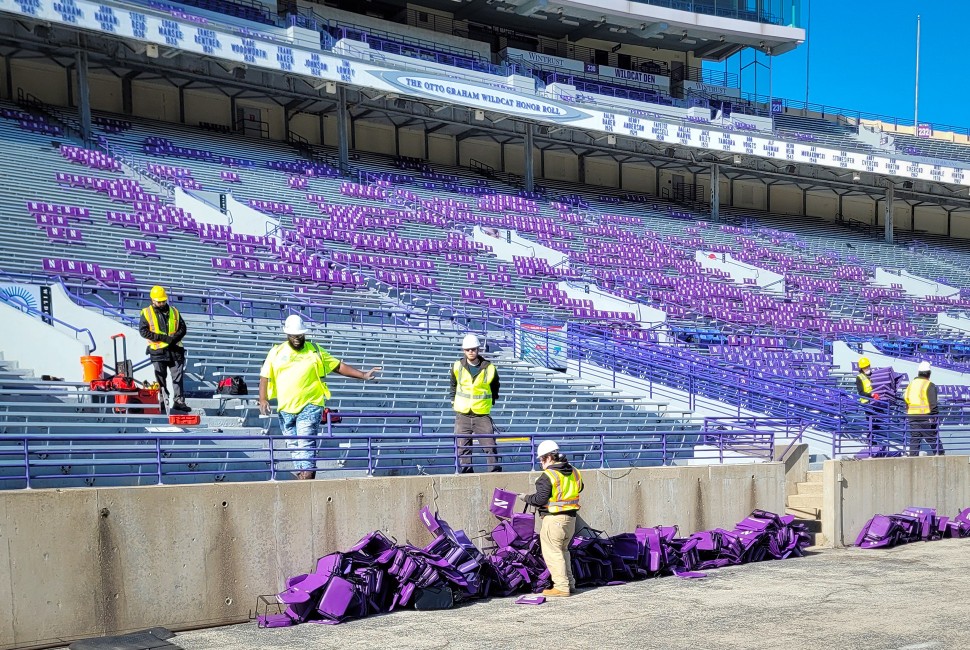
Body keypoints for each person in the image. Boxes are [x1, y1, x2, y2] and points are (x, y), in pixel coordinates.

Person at [258, 315, 381, 480]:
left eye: (300, 335)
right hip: (285, 408)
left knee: (305, 441)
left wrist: (363, 375)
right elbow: (264, 377)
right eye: (294, 336)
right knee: (294, 446)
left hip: (311, 404)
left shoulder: (314, 350)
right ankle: (304, 475)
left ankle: (307, 477)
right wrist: (263, 399)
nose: (297, 339)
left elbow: (337, 366)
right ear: (287, 335)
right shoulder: (276, 352)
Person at [518, 440, 583, 598]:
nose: (541, 463)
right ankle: (570, 584)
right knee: (563, 551)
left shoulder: (547, 476)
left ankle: (561, 587)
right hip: (570, 519)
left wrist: (525, 498)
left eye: (541, 459)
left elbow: (540, 499)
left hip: (554, 519)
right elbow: (580, 487)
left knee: (553, 553)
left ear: (548, 458)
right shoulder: (574, 471)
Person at [448, 333, 501, 473]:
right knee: (462, 448)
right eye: (467, 349)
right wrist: (453, 400)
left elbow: (495, 386)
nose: (470, 352)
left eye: (473, 349)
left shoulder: (489, 368)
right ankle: (466, 474)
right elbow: (453, 385)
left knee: (490, 446)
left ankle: (494, 473)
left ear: (478, 349)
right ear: (463, 350)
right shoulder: (457, 366)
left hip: (481, 415)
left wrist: (491, 401)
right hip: (463, 414)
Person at [139, 285, 189, 413]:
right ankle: (162, 401)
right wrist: (163, 338)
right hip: (158, 351)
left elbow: (183, 328)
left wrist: (173, 339)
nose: (161, 303)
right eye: (159, 301)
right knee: (160, 378)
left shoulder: (174, 311)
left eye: (163, 300)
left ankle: (179, 401)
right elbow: (144, 331)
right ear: (152, 300)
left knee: (177, 377)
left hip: (175, 350)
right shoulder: (146, 312)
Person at [904, 361, 943, 456]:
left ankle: (913, 458)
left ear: (919, 372)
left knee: (915, 438)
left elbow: (906, 398)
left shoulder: (911, 384)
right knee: (932, 437)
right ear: (929, 373)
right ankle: (941, 455)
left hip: (912, 415)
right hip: (925, 416)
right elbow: (933, 404)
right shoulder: (929, 384)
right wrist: (935, 417)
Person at [855, 357, 888, 451]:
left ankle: (873, 437)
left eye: (868, 366)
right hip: (867, 402)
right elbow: (861, 392)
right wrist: (871, 395)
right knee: (871, 421)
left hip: (876, 401)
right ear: (861, 368)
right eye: (865, 367)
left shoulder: (873, 375)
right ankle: (871, 440)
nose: (867, 368)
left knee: (880, 419)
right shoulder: (859, 377)